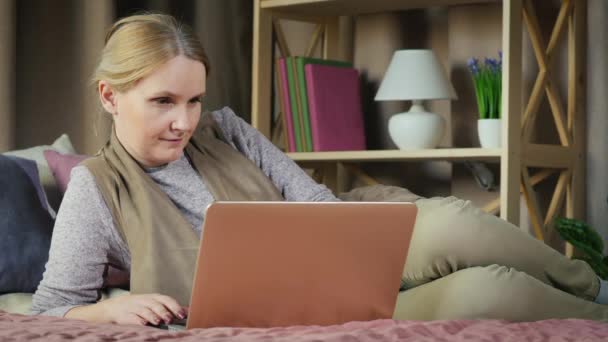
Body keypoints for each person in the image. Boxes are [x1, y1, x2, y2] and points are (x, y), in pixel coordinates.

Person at [32, 13, 608, 326]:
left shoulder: (227, 130)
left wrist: (354, 257)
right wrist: (105, 307)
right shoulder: (95, 189)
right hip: (288, 309)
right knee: (489, 291)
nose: (184, 121)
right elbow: (49, 308)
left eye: (193, 100)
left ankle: (598, 288)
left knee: (457, 221)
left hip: (344, 257)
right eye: (163, 102)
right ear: (110, 97)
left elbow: (313, 200)